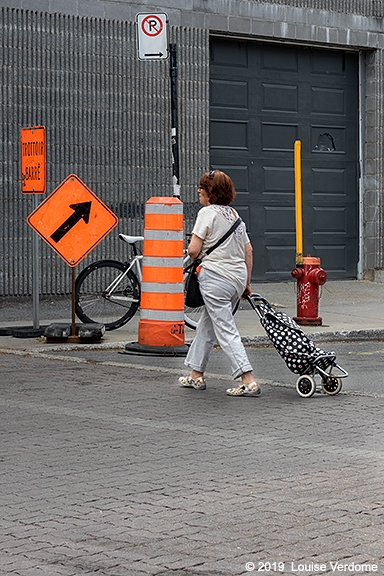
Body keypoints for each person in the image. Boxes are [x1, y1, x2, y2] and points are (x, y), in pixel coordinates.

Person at [179, 169, 261, 397]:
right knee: (208, 325)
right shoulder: (235, 216)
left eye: (202, 187)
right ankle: (196, 375)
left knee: (225, 329)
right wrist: (246, 284)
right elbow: (249, 251)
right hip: (235, 280)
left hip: (215, 277)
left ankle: (248, 379)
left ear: (211, 192)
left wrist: (191, 251)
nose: (198, 190)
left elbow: (194, 250)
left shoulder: (207, 213)